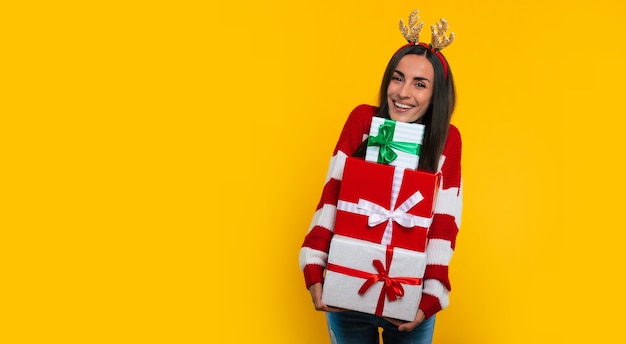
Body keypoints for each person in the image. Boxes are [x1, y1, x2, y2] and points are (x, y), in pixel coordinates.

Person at [298, 10, 462, 344]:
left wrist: (432, 294)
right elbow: (333, 192)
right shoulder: (362, 120)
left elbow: (445, 220)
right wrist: (314, 261)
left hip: (408, 295)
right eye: (397, 78)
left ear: (436, 95)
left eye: (420, 84)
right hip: (346, 290)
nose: (403, 92)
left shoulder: (447, 139)